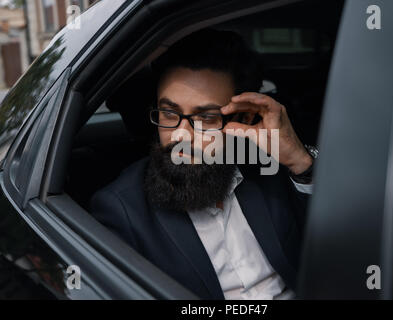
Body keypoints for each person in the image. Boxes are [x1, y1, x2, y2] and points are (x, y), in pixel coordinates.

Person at [90, 28, 316, 299]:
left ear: (242, 120)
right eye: (169, 113)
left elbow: (338, 241)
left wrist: (300, 161)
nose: (181, 135)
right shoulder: (122, 210)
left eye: (206, 119)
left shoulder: (268, 167)